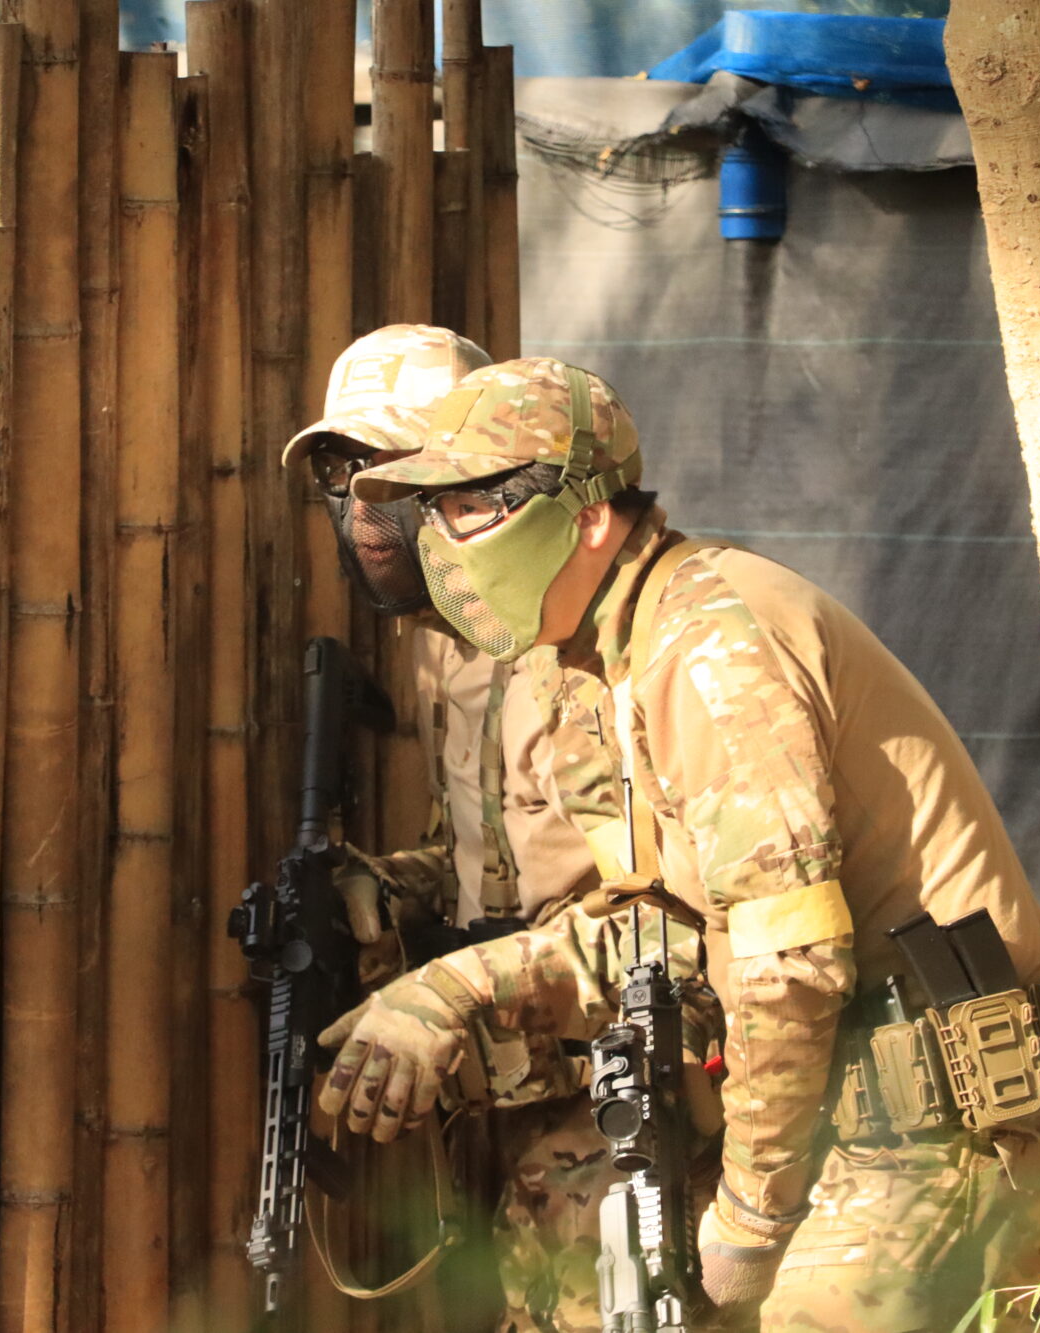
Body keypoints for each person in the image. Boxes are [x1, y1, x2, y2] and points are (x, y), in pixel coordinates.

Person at [330, 356, 1040, 1332]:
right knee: (559, 1246)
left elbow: (789, 966)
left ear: (587, 517)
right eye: (434, 511)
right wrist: (450, 988)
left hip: (954, 1125)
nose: (443, 543)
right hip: (831, 1106)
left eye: (472, 508)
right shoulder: (591, 667)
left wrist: (747, 1223)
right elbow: (669, 933)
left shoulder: (711, 646)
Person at [284, 327, 719, 1333]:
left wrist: (454, 989)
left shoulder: (598, 633)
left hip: (635, 1090)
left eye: (392, 469)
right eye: (341, 471)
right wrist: (382, 887)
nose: (364, 504)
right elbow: (492, 861)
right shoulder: (441, 649)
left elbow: (691, 916)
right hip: (510, 1105)